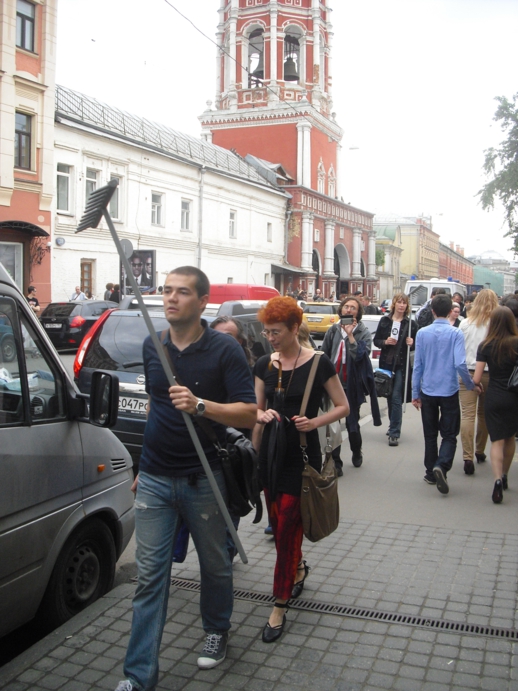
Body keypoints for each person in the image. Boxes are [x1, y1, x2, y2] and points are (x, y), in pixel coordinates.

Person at [115, 266, 257, 691]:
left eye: (181, 292)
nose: (170, 298)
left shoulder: (224, 350)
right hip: (157, 478)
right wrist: (141, 466)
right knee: (150, 577)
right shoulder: (152, 344)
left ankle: (217, 628)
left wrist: (200, 406)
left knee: (214, 565)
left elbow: (248, 413)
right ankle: (138, 677)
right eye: (166, 291)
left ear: (201, 302)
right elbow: (156, 410)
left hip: (204, 476)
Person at [253, 297, 348, 643]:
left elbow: (343, 406)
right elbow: (254, 410)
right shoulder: (265, 363)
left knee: (286, 531)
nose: (270, 337)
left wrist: (314, 422)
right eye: (266, 331)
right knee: (279, 525)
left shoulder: (318, 364)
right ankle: (299, 567)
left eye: (276, 331)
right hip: (270, 459)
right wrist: (258, 419)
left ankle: (278, 606)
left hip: (300, 461)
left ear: (295, 328)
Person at [412, 294, 482, 494]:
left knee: (430, 433)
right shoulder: (455, 333)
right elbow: (460, 364)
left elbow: (418, 365)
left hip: (428, 389)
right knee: (450, 434)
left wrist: (415, 392)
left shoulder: (423, 333)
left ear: (432, 311)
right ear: (451, 311)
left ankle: (429, 472)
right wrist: (470, 385)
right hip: (449, 389)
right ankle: (441, 466)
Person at [321, 295, 381, 473]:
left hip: (351, 384)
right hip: (333, 384)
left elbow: (361, 356)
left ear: (358, 312)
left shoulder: (362, 331)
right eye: (346, 307)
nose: (348, 310)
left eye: (353, 308)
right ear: (341, 310)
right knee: (333, 425)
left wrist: (350, 335)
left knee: (352, 423)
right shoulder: (333, 330)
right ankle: (336, 462)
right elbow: (324, 354)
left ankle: (356, 450)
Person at [473, 306, 518, 504]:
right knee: (510, 438)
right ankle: (506, 475)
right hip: (514, 397)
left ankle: (497, 480)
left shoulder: (485, 345)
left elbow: (476, 378)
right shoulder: (516, 343)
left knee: (496, 440)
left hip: (494, 396)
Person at [458, 289, 498, 475]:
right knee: (483, 414)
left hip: (467, 372)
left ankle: (467, 457)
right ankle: (479, 450)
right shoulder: (496, 325)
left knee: (467, 414)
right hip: (490, 373)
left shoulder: (465, 323)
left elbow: (458, 351)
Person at [373, 293, 417, 446]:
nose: (401, 305)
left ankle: (394, 433)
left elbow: (417, 346)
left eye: (404, 303)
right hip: (386, 364)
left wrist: (412, 342)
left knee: (397, 397)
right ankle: (393, 425)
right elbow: (376, 340)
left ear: (407, 306)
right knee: (390, 397)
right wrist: (385, 342)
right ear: (394, 304)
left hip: (401, 366)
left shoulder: (411, 324)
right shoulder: (385, 321)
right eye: (399, 302)